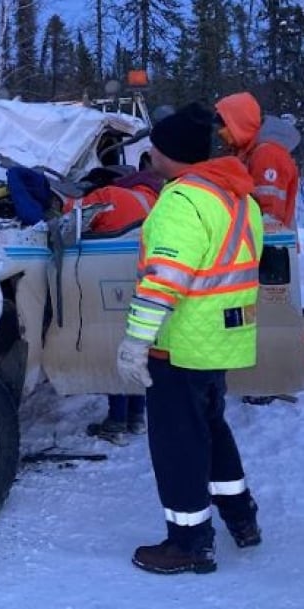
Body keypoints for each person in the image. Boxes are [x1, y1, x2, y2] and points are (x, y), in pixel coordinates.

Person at [116, 101, 264, 574]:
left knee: (179, 444)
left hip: (180, 344)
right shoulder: (236, 196)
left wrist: (136, 342)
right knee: (212, 430)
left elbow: (163, 280)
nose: (151, 153)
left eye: (155, 147)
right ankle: (242, 519)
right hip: (220, 340)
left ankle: (188, 542)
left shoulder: (181, 202)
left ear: (169, 155)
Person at [215, 92, 299, 229]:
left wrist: (267, 248)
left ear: (239, 121)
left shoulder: (267, 154)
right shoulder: (247, 152)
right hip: (257, 240)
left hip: (271, 244)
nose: (220, 132)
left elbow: (270, 216)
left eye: (224, 124)